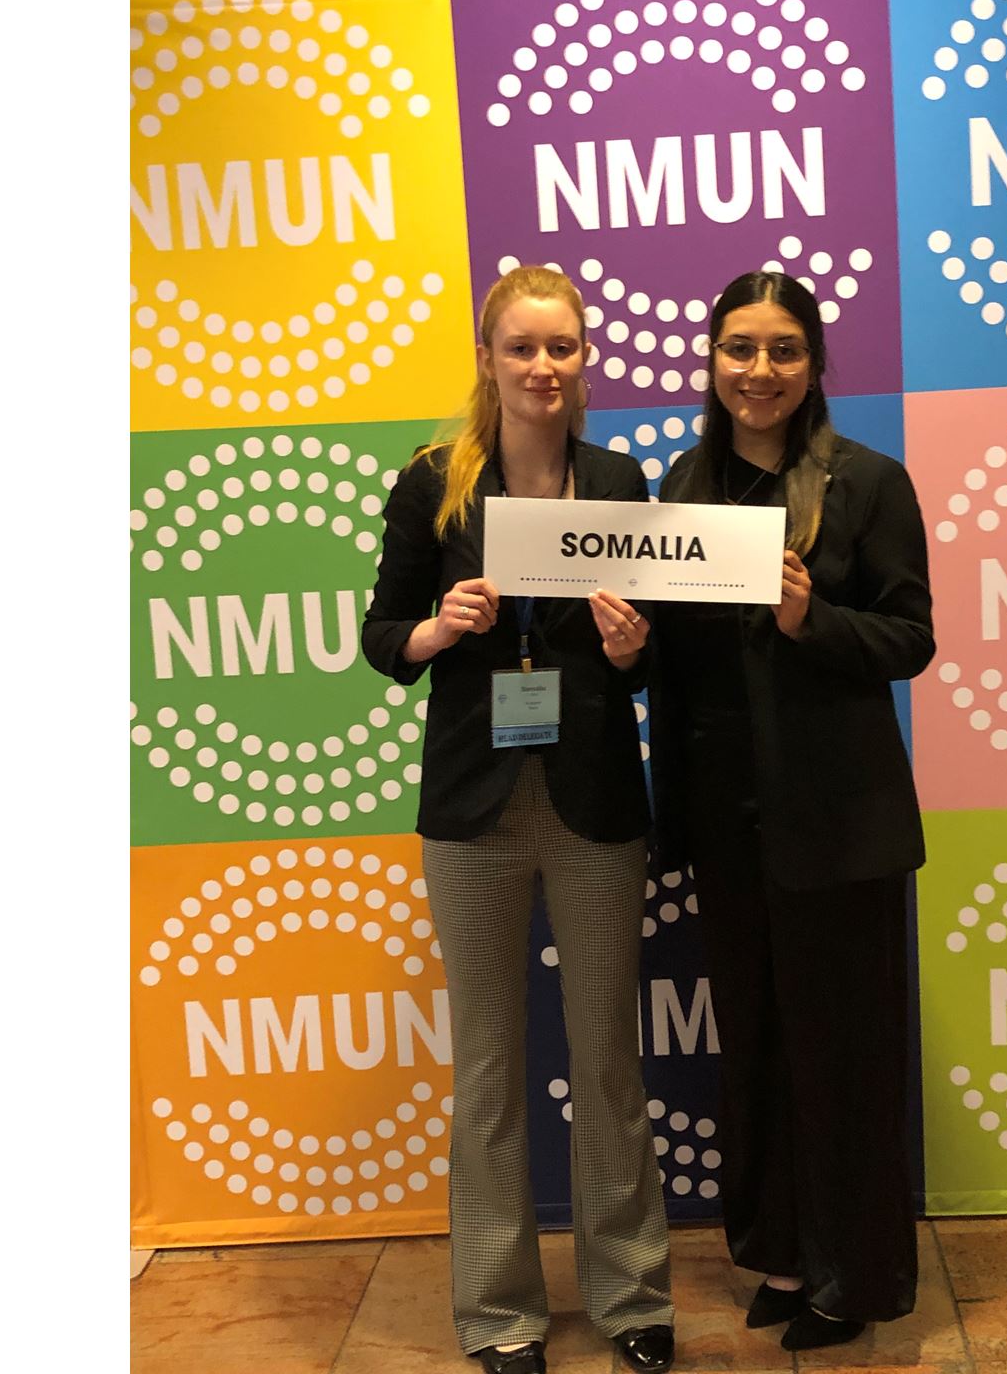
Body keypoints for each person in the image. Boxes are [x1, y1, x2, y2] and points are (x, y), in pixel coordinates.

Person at [360, 266, 675, 1374]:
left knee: (608, 1062)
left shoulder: (617, 479)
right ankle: (499, 1314)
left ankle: (632, 1297)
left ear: (585, 357)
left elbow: (650, 657)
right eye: (523, 347)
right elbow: (382, 638)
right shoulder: (434, 483)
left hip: (594, 802)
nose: (544, 367)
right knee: (489, 1070)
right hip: (472, 810)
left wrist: (634, 650)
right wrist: (438, 628)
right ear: (488, 359)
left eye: (562, 347)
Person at [650, 270, 934, 1353]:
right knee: (759, 1047)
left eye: (782, 350)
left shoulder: (867, 482)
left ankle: (852, 1278)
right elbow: (686, 660)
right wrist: (631, 652)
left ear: (814, 365)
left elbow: (909, 639)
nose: (758, 370)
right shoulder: (685, 487)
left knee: (844, 1058)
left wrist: (814, 618)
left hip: (840, 825)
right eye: (739, 348)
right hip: (730, 824)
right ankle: (782, 1254)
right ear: (712, 361)